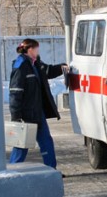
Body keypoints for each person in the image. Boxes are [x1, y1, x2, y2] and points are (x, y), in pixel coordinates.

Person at [9, 38, 68, 170]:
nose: (38, 50)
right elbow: (15, 92)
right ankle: (13, 169)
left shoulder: (35, 64)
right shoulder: (21, 66)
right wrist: (16, 116)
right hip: (26, 113)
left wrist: (62, 67)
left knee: (46, 141)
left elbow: (48, 71)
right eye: (36, 48)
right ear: (30, 49)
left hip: (37, 111)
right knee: (22, 144)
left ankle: (51, 169)